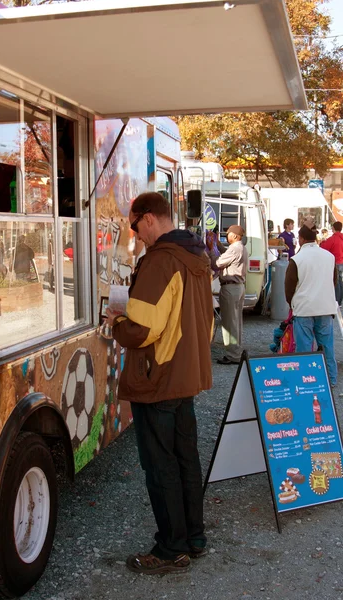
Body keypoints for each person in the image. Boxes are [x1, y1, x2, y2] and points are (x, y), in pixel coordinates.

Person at [105, 192, 213, 575]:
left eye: (134, 227)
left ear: (148, 218)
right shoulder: (197, 257)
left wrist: (116, 320)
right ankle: (193, 537)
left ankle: (170, 549)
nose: (135, 235)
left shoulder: (159, 262)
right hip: (185, 377)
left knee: (160, 465)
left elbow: (142, 329)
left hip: (158, 379)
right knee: (185, 458)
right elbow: (207, 322)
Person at [285, 219, 338, 386]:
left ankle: (306, 379)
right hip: (325, 307)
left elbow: (289, 286)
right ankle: (331, 379)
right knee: (327, 347)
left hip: (304, 308)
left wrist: (292, 303)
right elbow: (334, 281)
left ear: (300, 238)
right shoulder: (329, 257)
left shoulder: (297, 259)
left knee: (304, 348)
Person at [208, 225, 248, 365]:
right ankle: (236, 351)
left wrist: (211, 248)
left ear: (235, 236)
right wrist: (218, 245)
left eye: (228, 234)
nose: (227, 235)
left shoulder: (235, 248)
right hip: (238, 287)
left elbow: (217, 262)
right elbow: (227, 254)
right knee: (236, 321)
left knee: (229, 322)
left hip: (231, 287)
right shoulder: (240, 247)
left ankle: (233, 355)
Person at [320, 221, 343, 306]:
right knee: (340, 281)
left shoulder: (333, 239)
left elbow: (323, 247)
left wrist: (322, 242)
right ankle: (340, 300)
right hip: (341, 262)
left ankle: (336, 301)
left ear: (333, 228)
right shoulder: (341, 238)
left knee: (336, 282)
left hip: (335, 262)